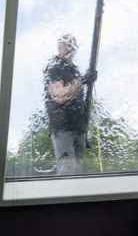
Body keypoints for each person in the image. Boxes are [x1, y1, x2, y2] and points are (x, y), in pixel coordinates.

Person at [43, 34, 97, 174]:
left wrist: (84, 128)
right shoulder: (54, 67)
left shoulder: (73, 69)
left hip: (78, 127)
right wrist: (82, 81)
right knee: (67, 171)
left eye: (72, 47)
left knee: (78, 172)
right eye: (66, 46)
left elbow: (77, 99)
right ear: (59, 47)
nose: (69, 50)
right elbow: (59, 95)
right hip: (62, 127)